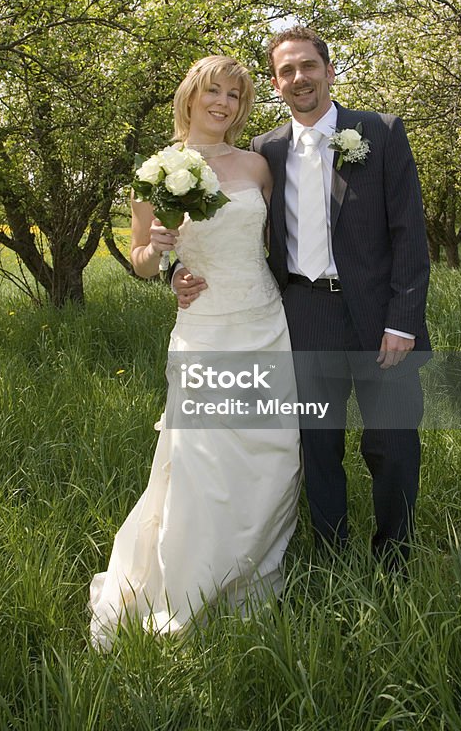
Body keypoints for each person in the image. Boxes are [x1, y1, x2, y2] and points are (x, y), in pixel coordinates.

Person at [176, 27, 430, 564]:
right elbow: (218, 225)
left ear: (329, 71)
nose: (299, 78)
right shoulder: (265, 149)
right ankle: (332, 557)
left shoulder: (380, 132)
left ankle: (396, 558)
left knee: (392, 444)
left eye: (308, 66)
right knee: (317, 447)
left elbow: (410, 232)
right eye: (286, 71)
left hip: (380, 318)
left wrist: (403, 321)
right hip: (302, 315)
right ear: (275, 83)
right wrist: (179, 268)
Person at [89, 56, 301, 648]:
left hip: (264, 322)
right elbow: (142, 261)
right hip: (204, 327)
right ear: (191, 94)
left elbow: (270, 241)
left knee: (272, 450)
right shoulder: (156, 172)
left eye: (235, 95)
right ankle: (191, 587)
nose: (224, 103)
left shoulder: (258, 165)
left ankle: (254, 573)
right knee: (204, 459)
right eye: (214, 91)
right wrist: (163, 259)